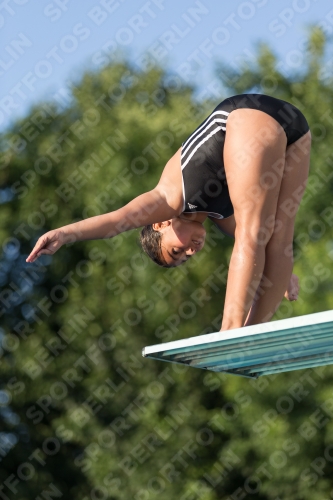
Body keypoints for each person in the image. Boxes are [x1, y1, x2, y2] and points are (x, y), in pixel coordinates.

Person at [26, 94, 311, 331]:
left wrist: (65, 233)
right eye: (184, 258)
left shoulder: (168, 198)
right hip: (297, 130)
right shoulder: (221, 217)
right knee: (277, 240)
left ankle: (230, 332)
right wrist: (284, 274)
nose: (189, 253)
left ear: (161, 224)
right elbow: (271, 251)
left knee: (253, 233)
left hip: (247, 115)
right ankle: (252, 335)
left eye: (176, 251)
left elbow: (116, 221)